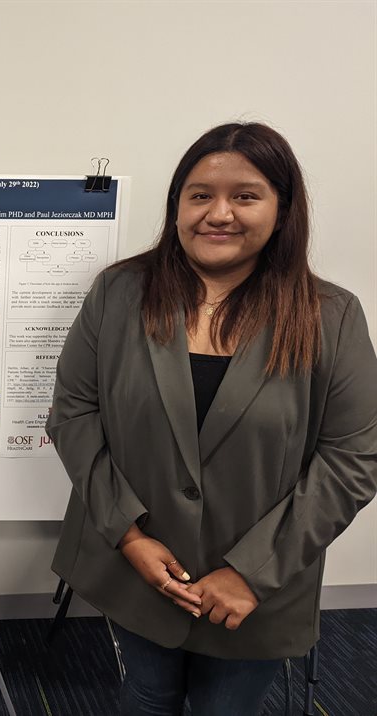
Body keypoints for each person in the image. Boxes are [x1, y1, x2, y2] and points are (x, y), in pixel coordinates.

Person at [45, 122, 377, 715]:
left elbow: (354, 456)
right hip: (138, 565)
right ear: (177, 206)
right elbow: (73, 413)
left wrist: (252, 573)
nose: (218, 213)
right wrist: (128, 535)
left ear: (283, 208)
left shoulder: (330, 316)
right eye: (199, 195)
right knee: (147, 695)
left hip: (259, 584)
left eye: (245, 196)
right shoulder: (119, 294)